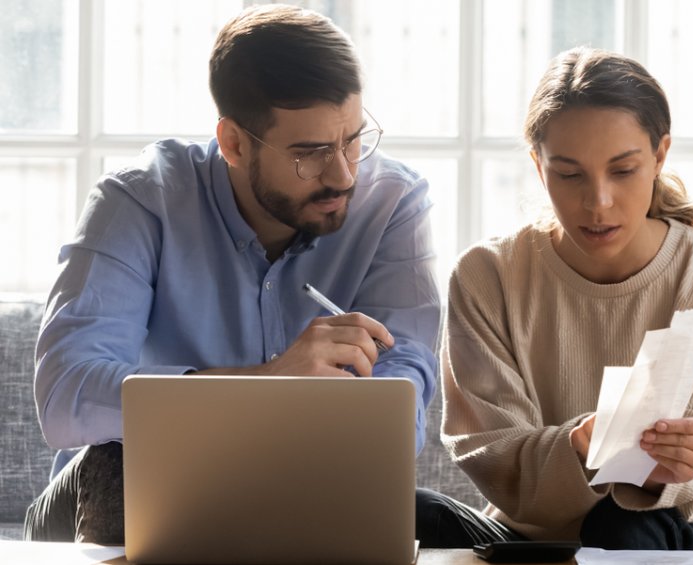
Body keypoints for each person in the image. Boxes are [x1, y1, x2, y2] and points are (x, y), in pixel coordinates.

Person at [25, 4, 441, 544]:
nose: (342, 174)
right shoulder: (138, 201)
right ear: (235, 143)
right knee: (118, 470)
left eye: (353, 139)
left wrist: (354, 435)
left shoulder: (394, 204)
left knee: (435, 520)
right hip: (112, 490)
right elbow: (66, 394)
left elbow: (404, 380)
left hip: (299, 482)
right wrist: (269, 385)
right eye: (310, 152)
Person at [434, 47, 693, 551]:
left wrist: (670, 466)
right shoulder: (487, 276)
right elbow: (492, 455)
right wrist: (576, 448)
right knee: (411, 512)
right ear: (537, 164)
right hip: (530, 537)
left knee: (621, 527)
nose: (598, 202)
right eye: (569, 175)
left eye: (623, 170)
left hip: (677, 528)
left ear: (659, 155)